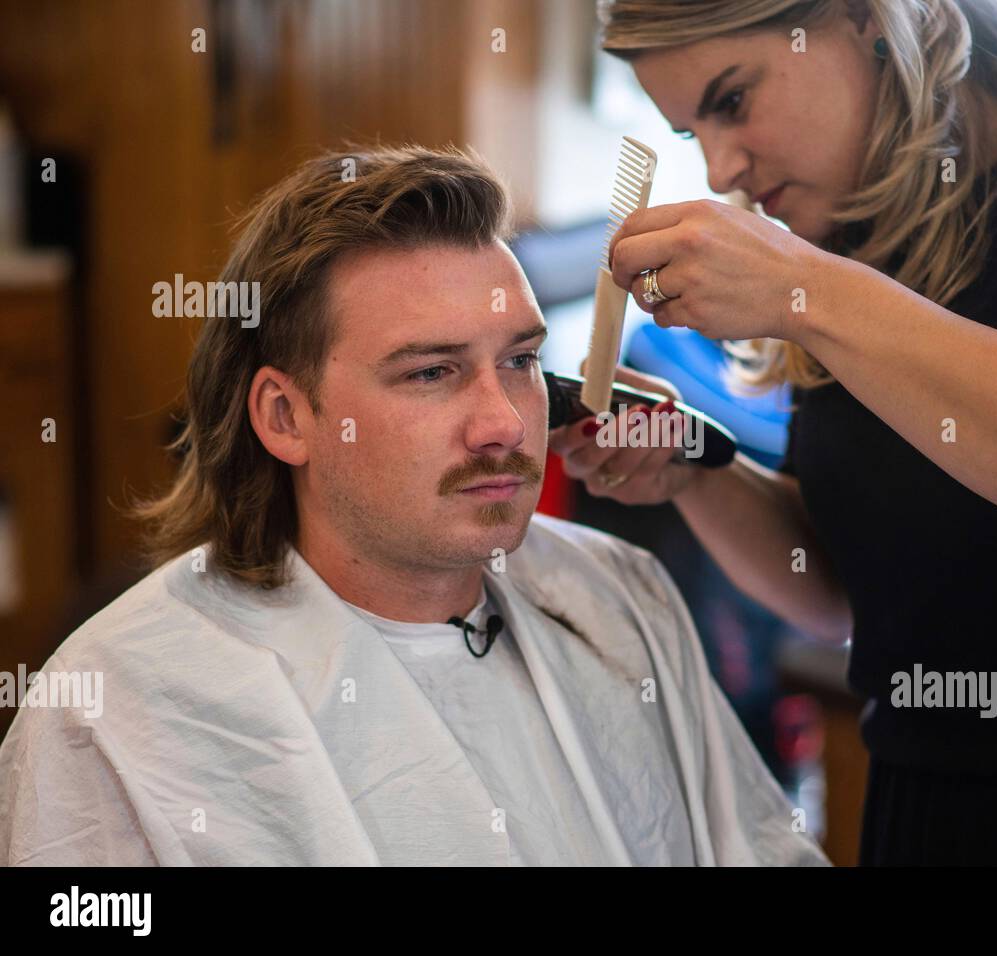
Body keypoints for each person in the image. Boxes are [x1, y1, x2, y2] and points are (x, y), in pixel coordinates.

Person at [547, 0, 997, 864]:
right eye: (690, 132)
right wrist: (693, 473)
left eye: (732, 101)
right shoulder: (858, 224)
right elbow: (846, 588)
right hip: (921, 813)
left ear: (861, 18)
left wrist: (809, 292)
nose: (722, 170)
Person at [0, 145, 829, 867]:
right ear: (285, 418)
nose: (504, 421)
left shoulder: (619, 597)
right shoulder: (120, 703)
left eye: (521, 360)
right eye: (431, 372)